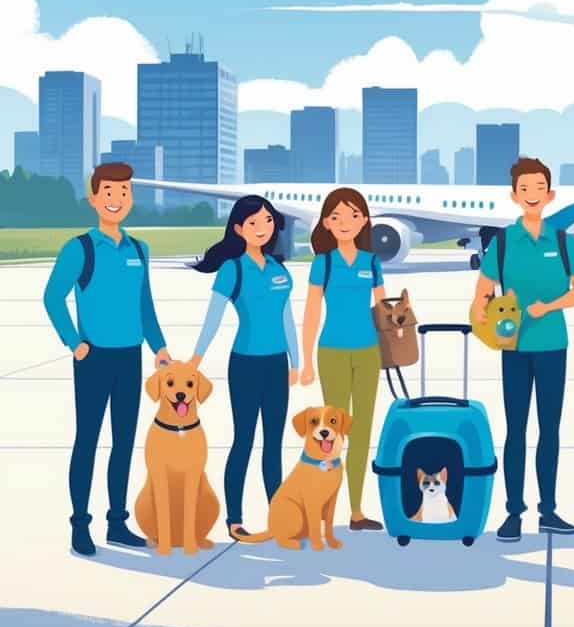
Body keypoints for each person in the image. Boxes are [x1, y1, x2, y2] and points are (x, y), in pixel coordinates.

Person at [43, 162, 171, 556]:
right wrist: (75, 343)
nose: (117, 200)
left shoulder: (138, 249)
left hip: (130, 357)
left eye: (124, 192)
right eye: (109, 192)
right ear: (94, 199)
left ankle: (117, 522)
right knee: (87, 440)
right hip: (93, 358)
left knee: (124, 442)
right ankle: (80, 525)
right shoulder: (79, 248)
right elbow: (52, 297)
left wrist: (159, 347)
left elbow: (144, 304)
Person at [472, 158, 574, 542]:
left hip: (553, 346)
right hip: (515, 348)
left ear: (550, 194)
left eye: (539, 188)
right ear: (514, 196)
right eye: (525, 189)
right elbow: (481, 294)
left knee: (550, 430)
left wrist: (548, 307)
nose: (533, 196)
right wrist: (487, 312)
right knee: (516, 431)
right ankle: (513, 513)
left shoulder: (563, 241)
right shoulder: (503, 243)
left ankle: (549, 510)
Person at [188, 196, 299, 540]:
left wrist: (296, 361)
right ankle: (234, 519)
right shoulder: (232, 269)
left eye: (267, 221)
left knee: (274, 444)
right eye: (253, 223)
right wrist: (196, 359)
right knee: (244, 440)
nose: (262, 228)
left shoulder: (280, 270)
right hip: (246, 364)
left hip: (277, 365)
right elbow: (213, 318)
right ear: (238, 229)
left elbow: (287, 319)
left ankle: (278, 515)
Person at [300, 188, 385, 532]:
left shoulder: (371, 262)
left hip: (368, 352)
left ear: (364, 220)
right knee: (330, 435)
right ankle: (325, 510)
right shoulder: (324, 262)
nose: (345, 223)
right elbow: (311, 311)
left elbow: (382, 308)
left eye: (353, 216)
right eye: (336, 217)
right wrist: (305, 361)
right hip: (332, 350)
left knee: (362, 431)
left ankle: (356, 510)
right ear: (326, 223)